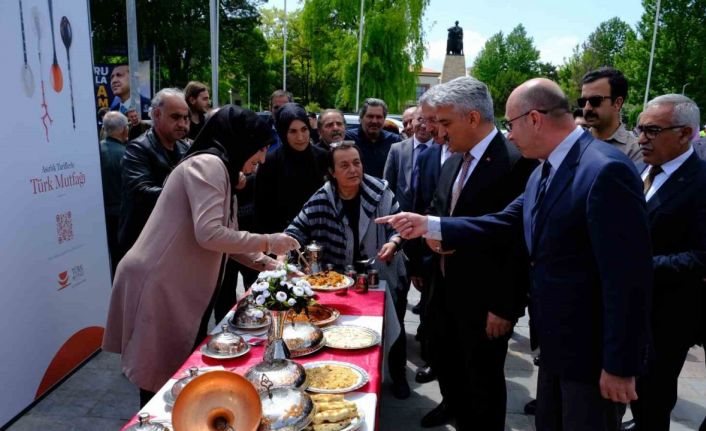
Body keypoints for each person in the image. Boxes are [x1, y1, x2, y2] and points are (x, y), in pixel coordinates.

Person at [378, 78, 653, 431]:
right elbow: (504, 222)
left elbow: (628, 278)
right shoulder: (544, 168)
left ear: (534, 119)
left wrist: (620, 364)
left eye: (511, 124)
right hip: (556, 345)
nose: (509, 135)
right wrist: (428, 225)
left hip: (591, 354)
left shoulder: (605, 169)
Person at [102, 105, 300, 408]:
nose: (262, 159)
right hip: (159, 284)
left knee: (177, 375)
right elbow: (210, 235)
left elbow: (229, 240)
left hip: (175, 285)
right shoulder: (208, 166)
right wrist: (271, 241)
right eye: (260, 149)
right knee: (158, 382)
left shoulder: (221, 169)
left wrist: (273, 266)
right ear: (241, 141)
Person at [414, 77, 536, 431]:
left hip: (485, 303)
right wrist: (430, 244)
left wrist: (505, 306)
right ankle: (450, 406)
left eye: (445, 123)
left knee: (482, 384)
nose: (438, 132)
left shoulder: (517, 163)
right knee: (447, 362)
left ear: (471, 118)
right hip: (444, 289)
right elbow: (436, 212)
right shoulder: (453, 160)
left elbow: (518, 244)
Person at [284, 141, 410, 398]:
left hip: (379, 274)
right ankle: (346, 375)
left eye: (357, 162)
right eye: (344, 165)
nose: (353, 169)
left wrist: (393, 242)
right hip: (339, 282)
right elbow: (295, 230)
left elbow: (400, 226)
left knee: (393, 326)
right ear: (332, 171)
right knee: (344, 331)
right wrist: (282, 252)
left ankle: (398, 376)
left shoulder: (380, 192)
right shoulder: (321, 199)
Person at [625, 94, 706, 431]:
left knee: (653, 395)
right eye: (639, 129)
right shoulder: (639, 169)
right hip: (630, 308)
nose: (641, 138)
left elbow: (701, 258)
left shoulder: (701, 183)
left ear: (686, 133)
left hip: (668, 316)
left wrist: (640, 267)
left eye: (652, 131)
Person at [118, 88, 190, 258]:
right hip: (143, 245)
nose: (182, 124)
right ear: (157, 115)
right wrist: (189, 192)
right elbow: (141, 192)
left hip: (173, 243)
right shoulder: (137, 149)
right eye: (175, 117)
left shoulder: (185, 147)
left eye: (185, 118)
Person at [254, 103, 328, 235]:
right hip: (282, 237)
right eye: (293, 131)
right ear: (283, 133)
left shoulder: (323, 157)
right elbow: (263, 210)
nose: (300, 137)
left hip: (321, 235)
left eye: (304, 129)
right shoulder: (271, 162)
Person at [580, 67, 641, 162]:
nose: (587, 108)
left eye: (595, 100)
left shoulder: (634, 151)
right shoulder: (576, 142)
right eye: (583, 101)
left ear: (617, 103)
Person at [99, 112, 129, 279]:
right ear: (124, 130)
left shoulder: (96, 152)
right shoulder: (128, 154)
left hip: (102, 215)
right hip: (121, 216)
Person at [345, 98, 401, 178]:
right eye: (370, 116)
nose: (374, 121)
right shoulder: (348, 139)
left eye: (379, 117)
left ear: (384, 119)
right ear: (361, 118)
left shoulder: (395, 141)